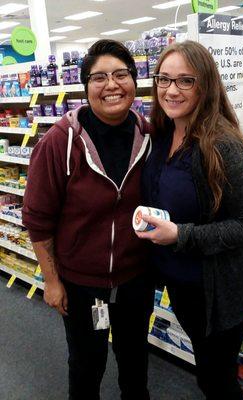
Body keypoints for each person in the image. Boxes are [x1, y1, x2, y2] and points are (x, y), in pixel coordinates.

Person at [22, 39, 154, 400]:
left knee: (134, 362)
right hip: (80, 284)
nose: (111, 85)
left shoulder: (149, 136)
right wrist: (51, 281)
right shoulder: (60, 142)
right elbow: (37, 217)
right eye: (99, 77)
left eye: (121, 74)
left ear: (135, 80)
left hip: (135, 278)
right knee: (85, 364)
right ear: (86, 87)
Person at [135, 40, 243, 400]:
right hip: (181, 285)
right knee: (208, 374)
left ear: (205, 85)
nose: (171, 90)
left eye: (185, 81)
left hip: (218, 292)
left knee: (216, 380)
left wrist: (181, 235)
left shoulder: (223, 144)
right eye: (164, 79)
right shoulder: (162, 136)